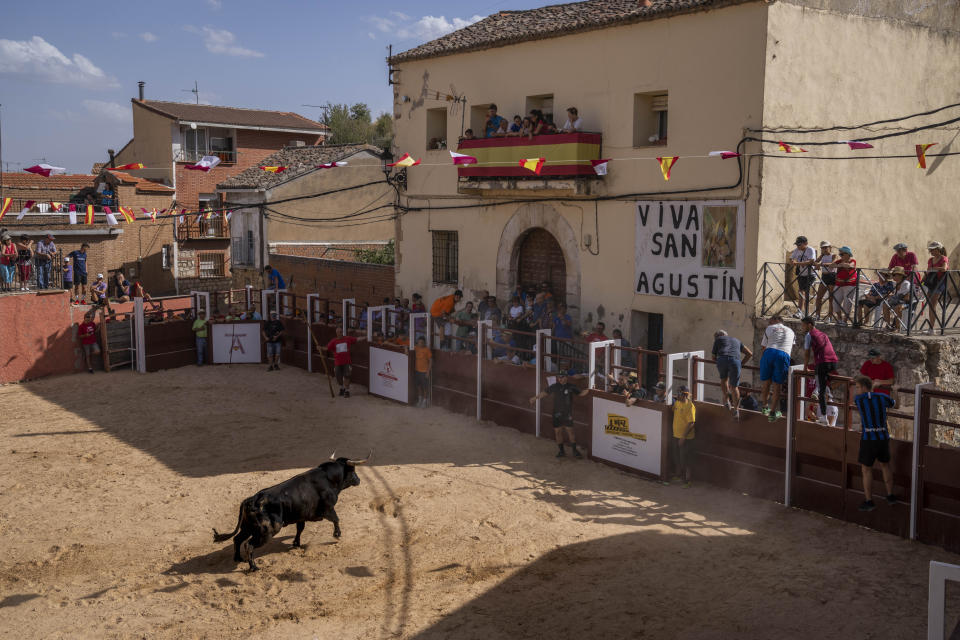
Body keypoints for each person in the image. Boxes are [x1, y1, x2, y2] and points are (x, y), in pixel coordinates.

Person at [852, 375, 897, 512]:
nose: (857, 390)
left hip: (868, 438)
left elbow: (866, 397)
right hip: (883, 437)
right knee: (885, 465)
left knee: (866, 469)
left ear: (864, 387)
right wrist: (895, 390)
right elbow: (896, 404)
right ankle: (890, 495)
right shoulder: (882, 398)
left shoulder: (859, 399)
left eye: (858, 387)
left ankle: (869, 500)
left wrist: (873, 387)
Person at [529, 370, 590, 458]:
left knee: (570, 432)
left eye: (562, 377)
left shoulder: (571, 386)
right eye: (559, 377)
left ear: (566, 377)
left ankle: (575, 451)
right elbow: (544, 393)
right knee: (558, 432)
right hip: (557, 413)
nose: (560, 379)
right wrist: (535, 398)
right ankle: (561, 451)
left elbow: (581, 393)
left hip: (567, 413)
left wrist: (590, 390)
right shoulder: (554, 386)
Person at [758, 315, 795, 422]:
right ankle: (773, 413)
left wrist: (764, 360)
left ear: (776, 320)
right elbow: (791, 346)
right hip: (783, 354)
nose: (769, 323)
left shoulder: (770, 328)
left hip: (769, 352)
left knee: (766, 382)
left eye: (770, 321)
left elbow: (764, 347)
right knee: (777, 385)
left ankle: (765, 407)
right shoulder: (791, 331)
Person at [800, 317, 839, 418]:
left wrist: (805, 368)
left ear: (809, 325)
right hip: (833, 362)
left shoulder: (809, 335)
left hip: (822, 362)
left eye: (803, 325)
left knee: (821, 391)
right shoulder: (823, 334)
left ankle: (824, 416)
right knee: (823, 382)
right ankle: (823, 391)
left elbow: (807, 353)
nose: (802, 327)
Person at [711, 329, 753, 419]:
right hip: (735, 361)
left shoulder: (718, 340)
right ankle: (736, 410)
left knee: (724, 379)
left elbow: (713, 357)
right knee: (734, 387)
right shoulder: (736, 340)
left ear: (718, 336)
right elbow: (749, 354)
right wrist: (741, 364)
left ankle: (726, 401)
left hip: (722, 359)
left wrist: (719, 362)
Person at [325, 325, 364, 397]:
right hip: (338, 362)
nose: (339, 333)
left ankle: (347, 391)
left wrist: (365, 337)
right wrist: (320, 348)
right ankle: (342, 388)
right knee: (338, 376)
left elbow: (357, 339)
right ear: (336, 333)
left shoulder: (347, 339)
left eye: (340, 332)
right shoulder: (334, 341)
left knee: (347, 376)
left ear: (342, 332)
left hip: (346, 362)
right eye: (338, 332)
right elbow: (327, 348)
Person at [670, 385, 696, 486]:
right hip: (676, 435)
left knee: (686, 459)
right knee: (676, 456)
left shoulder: (690, 406)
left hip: (686, 438)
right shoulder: (677, 403)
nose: (677, 395)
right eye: (677, 393)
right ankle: (679, 475)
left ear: (685, 395)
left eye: (679, 393)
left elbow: (691, 423)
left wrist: (683, 437)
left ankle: (688, 480)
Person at [923, 241, 949, 335]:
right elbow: (927, 271)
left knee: (933, 305)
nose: (931, 252)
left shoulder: (944, 258)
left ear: (938, 250)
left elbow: (944, 268)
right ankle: (931, 328)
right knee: (930, 305)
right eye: (930, 250)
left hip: (939, 283)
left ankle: (932, 329)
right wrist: (921, 282)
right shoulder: (930, 260)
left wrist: (934, 269)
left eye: (932, 250)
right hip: (930, 283)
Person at [789, 236, 816, 316]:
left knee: (806, 292)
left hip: (810, 274)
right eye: (797, 245)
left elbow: (811, 261)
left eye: (799, 245)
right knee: (801, 292)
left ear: (806, 244)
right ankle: (800, 311)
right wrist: (792, 261)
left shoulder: (810, 250)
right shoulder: (797, 250)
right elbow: (791, 258)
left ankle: (807, 312)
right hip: (801, 274)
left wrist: (797, 263)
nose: (798, 246)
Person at [832, 246, 858, 323]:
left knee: (847, 304)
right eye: (840, 254)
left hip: (850, 284)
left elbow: (851, 265)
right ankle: (839, 319)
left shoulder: (852, 260)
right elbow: (831, 265)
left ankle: (845, 321)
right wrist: (839, 265)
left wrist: (842, 264)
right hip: (839, 284)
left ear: (847, 254)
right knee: (835, 302)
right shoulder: (839, 261)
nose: (841, 256)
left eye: (842, 254)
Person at [814, 241, 837, 321]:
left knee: (831, 298)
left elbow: (832, 264)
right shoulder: (822, 256)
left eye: (825, 247)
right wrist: (821, 255)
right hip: (824, 276)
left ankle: (830, 316)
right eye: (822, 248)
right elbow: (815, 262)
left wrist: (821, 264)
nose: (824, 249)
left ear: (830, 247)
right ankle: (817, 315)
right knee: (819, 297)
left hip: (831, 276)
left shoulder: (833, 255)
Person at [414, 336, 432, 407]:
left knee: (424, 387)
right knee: (418, 386)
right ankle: (420, 400)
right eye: (419, 342)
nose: (420, 344)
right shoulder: (416, 348)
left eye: (421, 342)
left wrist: (428, 372)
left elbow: (431, 361)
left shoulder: (427, 350)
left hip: (424, 371)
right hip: (417, 370)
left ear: (424, 343)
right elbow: (406, 346)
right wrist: (406, 349)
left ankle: (425, 401)